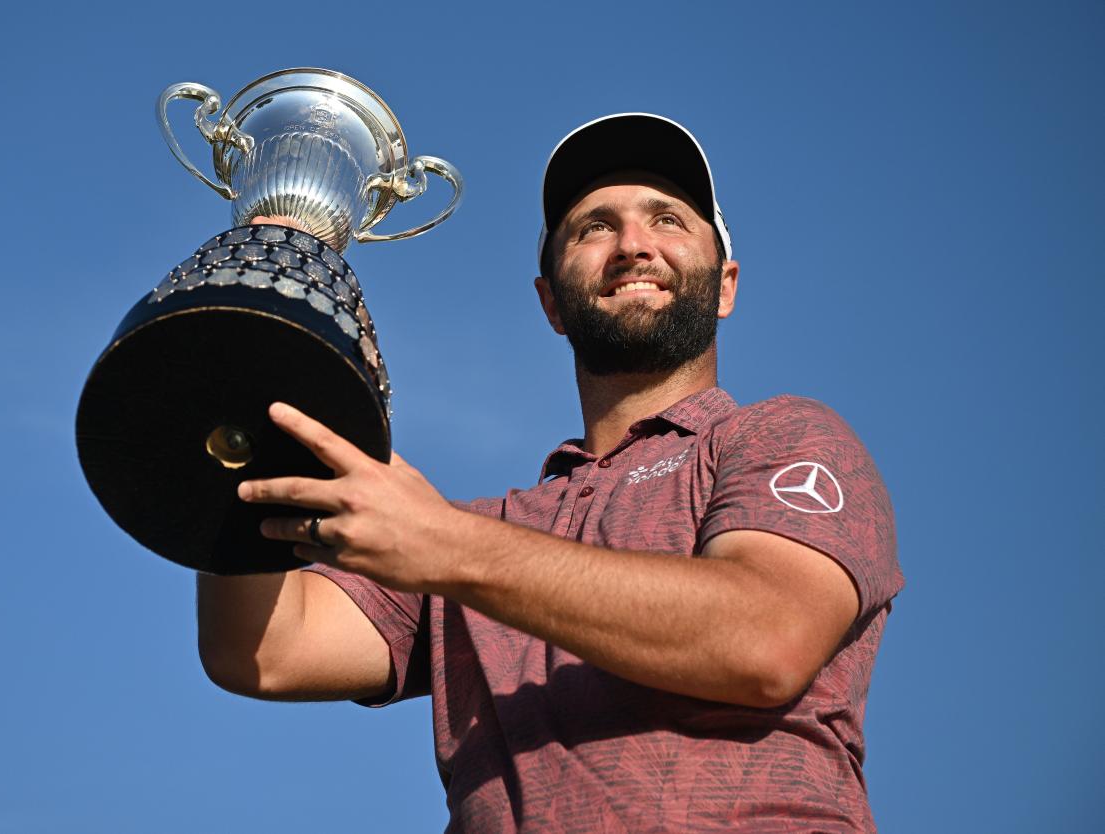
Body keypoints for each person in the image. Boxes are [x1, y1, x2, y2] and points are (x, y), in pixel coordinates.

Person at [196, 113, 903, 833]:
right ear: (550, 303)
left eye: (667, 220)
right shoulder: (473, 535)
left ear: (725, 286)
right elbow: (265, 651)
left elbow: (766, 639)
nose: (633, 245)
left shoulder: (780, 436)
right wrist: (253, 384)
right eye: (594, 227)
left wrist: (447, 548)